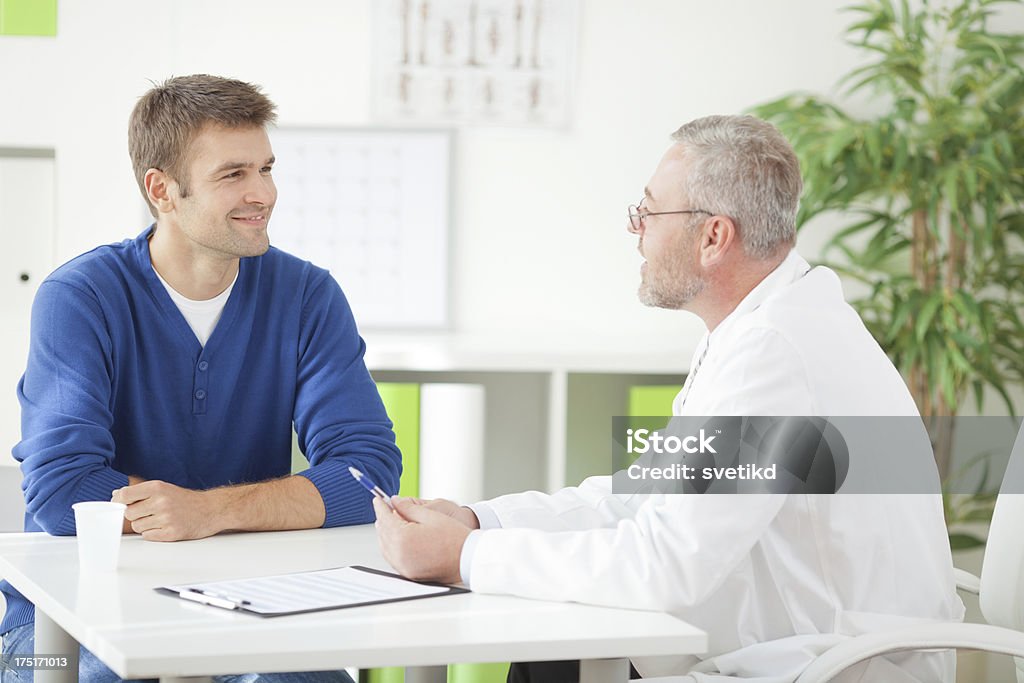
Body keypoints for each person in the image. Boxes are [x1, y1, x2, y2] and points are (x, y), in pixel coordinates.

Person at [373, 115, 964, 682]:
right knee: (554, 656)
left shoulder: (775, 352)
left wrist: (465, 556)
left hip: (834, 666)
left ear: (713, 236)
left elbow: (666, 564)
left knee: (556, 657)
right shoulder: (761, 327)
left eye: (648, 211)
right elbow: (645, 496)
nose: (637, 230)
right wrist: (481, 521)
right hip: (792, 640)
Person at [0, 75, 401, 683]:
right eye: (233, 174)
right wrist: (227, 511)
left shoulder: (308, 296)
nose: (262, 193)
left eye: (266, 168)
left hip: (246, 605)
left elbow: (367, 473)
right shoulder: (80, 297)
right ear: (162, 190)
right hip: (53, 628)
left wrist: (209, 512)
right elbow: (63, 492)